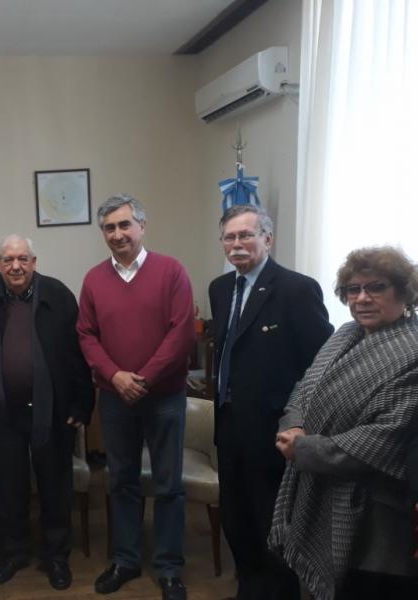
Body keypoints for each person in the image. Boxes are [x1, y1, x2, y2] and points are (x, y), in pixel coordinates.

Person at [269, 246, 418, 600]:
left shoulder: (412, 351)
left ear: (404, 292)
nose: (362, 298)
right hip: (319, 488)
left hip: (374, 515)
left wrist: (304, 448)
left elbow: (384, 437)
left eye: (376, 287)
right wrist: (293, 426)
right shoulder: (344, 334)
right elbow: (304, 388)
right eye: (354, 289)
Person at [208, 204, 333, 600]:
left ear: (268, 238)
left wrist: (300, 420)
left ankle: (278, 592)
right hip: (229, 423)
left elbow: (320, 364)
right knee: (236, 516)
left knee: (271, 520)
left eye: (246, 235)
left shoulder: (297, 289)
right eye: (229, 237)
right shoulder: (220, 288)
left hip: (274, 428)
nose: (237, 243)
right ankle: (249, 586)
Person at [77, 195, 194, 599]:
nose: (118, 234)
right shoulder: (94, 279)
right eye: (109, 227)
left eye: (125, 225)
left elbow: (182, 332)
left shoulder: (171, 271)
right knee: (121, 481)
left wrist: (142, 378)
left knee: (168, 484)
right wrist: (115, 376)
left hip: (164, 397)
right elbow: (86, 335)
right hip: (114, 398)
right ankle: (125, 560)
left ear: (142, 226)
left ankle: (168, 568)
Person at [0, 234, 94, 591]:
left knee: (55, 485)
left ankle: (56, 556)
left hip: (52, 412)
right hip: (0, 413)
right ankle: (14, 552)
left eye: (23, 258)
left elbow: (77, 352)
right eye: (8, 260)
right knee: (7, 486)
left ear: (34, 262)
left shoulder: (58, 294)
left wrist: (81, 403)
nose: (16, 266)